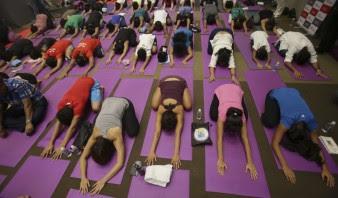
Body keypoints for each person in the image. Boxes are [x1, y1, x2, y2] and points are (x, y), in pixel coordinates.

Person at [261, 87, 335, 187]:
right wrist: (285, 166)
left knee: (281, 119)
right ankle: (272, 111)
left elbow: (315, 141)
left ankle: (282, 107)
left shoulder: (310, 119)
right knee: (270, 122)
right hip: (274, 94)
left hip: (293, 92)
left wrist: (325, 168)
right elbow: (274, 143)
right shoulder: (288, 120)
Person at [79, 97, 139, 195]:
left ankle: (122, 113)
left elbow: (120, 163)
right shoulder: (95, 134)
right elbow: (82, 158)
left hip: (123, 102)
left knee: (133, 132)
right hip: (107, 101)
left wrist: (103, 180)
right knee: (95, 123)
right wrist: (83, 177)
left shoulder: (115, 135)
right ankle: (118, 116)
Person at [40, 77, 103, 159]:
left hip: (91, 82)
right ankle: (88, 95)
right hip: (81, 81)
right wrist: (50, 143)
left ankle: (100, 89)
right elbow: (58, 123)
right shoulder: (60, 105)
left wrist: (62, 146)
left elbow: (72, 127)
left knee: (96, 108)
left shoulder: (78, 108)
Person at [209, 83, 258, 179]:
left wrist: (250, 162)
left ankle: (237, 92)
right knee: (213, 115)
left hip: (237, 90)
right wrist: (220, 159)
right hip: (221, 90)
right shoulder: (222, 115)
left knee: (247, 116)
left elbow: (245, 138)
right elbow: (219, 138)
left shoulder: (242, 117)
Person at [145, 75, 192, 169]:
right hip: (164, 81)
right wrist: (151, 151)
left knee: (188, 107)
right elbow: (157, 132)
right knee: (154, 106)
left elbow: (178, 133)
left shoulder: (179, 109)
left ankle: (184, 86)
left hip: (180, 81)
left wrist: (176, 154)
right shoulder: (161, 108)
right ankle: (160, 85)